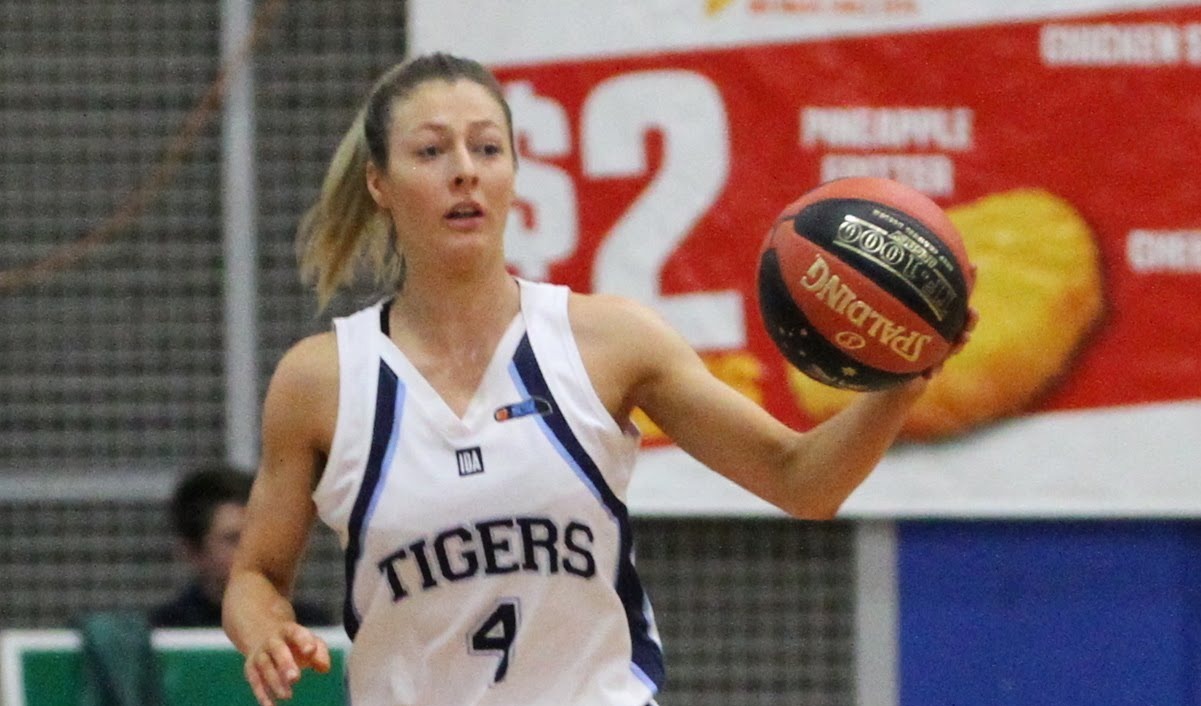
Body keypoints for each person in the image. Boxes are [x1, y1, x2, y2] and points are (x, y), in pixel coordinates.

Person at [222, 52, 975, 706]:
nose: (465, 170)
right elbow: (255, 574)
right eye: (430, 151)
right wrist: (265, 629)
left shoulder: (608, 342)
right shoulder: (322, 380)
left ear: (514, 174)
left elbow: (800, 481)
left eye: (487, 148)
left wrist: (904, 380)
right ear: (379, 183)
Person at [151, 464, 330, 629]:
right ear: (193, 552)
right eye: (233, 539)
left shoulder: (309, 625)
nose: (254, 549)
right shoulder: (166, 629)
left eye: (260, 534)